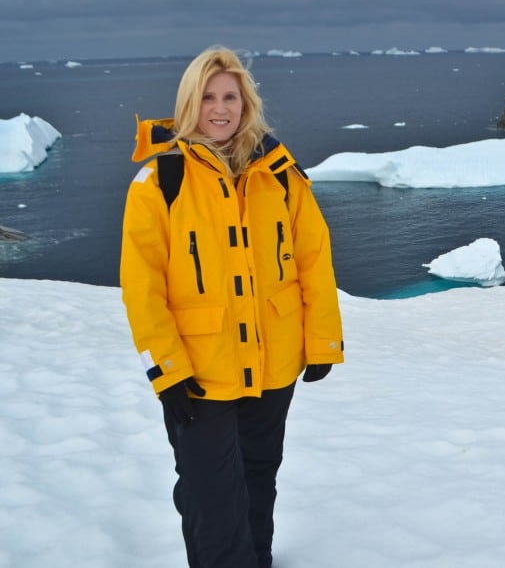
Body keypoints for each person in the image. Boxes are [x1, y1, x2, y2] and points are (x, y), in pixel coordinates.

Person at [120, 46, 344, 567]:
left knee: (257, 479)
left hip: (275, 364)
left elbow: (313, 259)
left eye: (230, 97)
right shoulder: (160, 183)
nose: (220, 109)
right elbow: (142, 285)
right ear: (187, 105)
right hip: (200, 371)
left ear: (246, 105)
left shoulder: (281, 175)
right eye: (207, 98)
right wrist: (167, 369)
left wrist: (322, 342)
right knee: (210, 494)